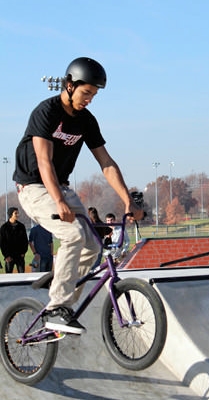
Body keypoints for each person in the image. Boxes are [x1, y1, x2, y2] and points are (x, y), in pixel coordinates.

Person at [12, 57, 144, 335]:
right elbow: (44, 161)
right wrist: (59, 201)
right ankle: (56, 307)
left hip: (61, 186)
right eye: (86, 93)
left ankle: (64, 299)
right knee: (72, 235)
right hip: (34, 187)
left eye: (94, 95)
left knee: (93, 246)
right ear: (69, 86)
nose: (89, 100)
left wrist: (127, 199)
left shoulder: (86, 120)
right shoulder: (46, 111)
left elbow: (106, 162)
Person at [0, 207, 29, 273]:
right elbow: (2, 243)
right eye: (15, 213)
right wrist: (6, 256)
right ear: (11, 214)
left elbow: (25, 240)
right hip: (9, 257)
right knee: (9, 276)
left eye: (18, 213)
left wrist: (23, 252)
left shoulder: (21, 226)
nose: (17, 214)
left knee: (22, 276)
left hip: (20, 256)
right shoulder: (4, 228)